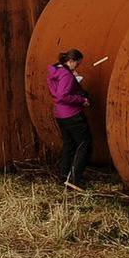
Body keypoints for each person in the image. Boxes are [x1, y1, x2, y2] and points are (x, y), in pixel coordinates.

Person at [47, 48, 93, 191]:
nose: (77, 67)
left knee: (69, 145)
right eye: (77, 64)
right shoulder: (66, 75)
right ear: (71, 61)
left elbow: (58, 93)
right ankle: (74, 179)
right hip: (72, 115)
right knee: (85, 144)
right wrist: (81, 100)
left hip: (60, 115)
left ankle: (63, 176)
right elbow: (63, 96)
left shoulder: (56, 71)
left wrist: (73, 78)